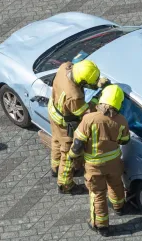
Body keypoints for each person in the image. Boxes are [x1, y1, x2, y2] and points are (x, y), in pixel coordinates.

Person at [59, 85, 130, 236]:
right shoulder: (122, 120)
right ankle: (119, 208)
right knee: (116, 185)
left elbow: (78, 144)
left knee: (97, 194)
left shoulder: (89, 119)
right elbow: (125, 140)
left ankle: (101, 225)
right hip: (114, 164)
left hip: (94, 167)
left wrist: (71, 156)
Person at [49, 58, 103, 192]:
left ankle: (55, 167)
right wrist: (98, 98)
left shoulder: (65, 67)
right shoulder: (74, 96)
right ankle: (65, 184)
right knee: (67, 152)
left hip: (53, 111)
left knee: (56, 140)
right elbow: (85, 112)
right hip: (64, 122)